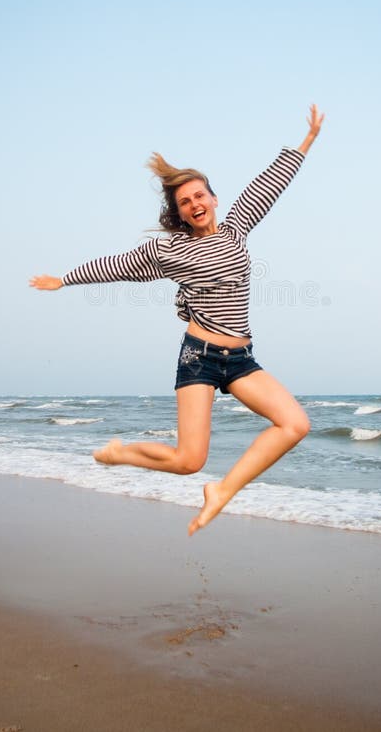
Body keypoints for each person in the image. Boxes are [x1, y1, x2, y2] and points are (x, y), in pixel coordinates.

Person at [30, 104, 325, 535]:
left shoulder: (237, 228)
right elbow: (119, 266)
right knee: (189, 461)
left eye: (199, 196)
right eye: (185, 201)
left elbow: (269, 185)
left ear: (213, 199)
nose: (194, 203)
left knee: (295, 424)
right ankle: (119, 453)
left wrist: (307, 141)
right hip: (200, 357)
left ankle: (222, 492)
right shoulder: (170, 251)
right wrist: (64, 280)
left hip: (241, 358)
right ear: (181, 212)